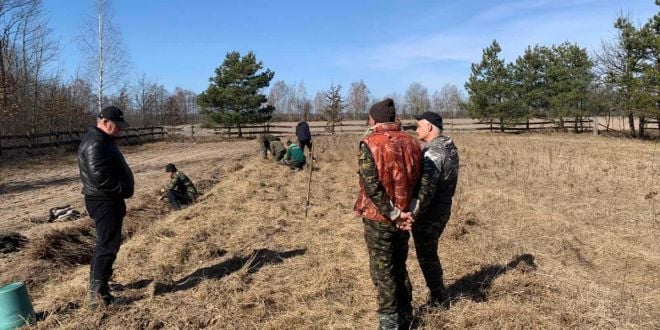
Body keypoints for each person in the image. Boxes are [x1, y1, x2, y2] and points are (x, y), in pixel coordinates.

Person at [353, 98, 422, 329]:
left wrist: (392, 214)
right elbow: (420, 181)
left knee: (383, 273)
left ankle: (390, 323)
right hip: (405, 217)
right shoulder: (413, 142)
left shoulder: (369, 143)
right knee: (399, 264)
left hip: (380, 219)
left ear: (373, 119)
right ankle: (406, 315)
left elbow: (372, 186)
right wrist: (407, 212)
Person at [77, 105, 134, 309]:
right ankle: (98, 296)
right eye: (117, 125)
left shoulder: (103, 140)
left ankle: (100, 285)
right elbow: (100, 177)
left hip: (107, 199)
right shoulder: (95, 143)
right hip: (104, 200)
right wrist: (123, 190)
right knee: (107, 245)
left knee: (107, 243)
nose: (120, 129)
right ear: (105, 122)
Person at [404, 111, 459, 307]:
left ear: (429, 127)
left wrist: (412, 213)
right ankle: (438, 294)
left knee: (427, 254)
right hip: (443, 207)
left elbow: (426, 188)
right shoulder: (448, 146)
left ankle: (438, 298)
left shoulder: (434, 153)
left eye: (419, 126)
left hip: (431, 211)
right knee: (429, 252)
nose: (416, 129)